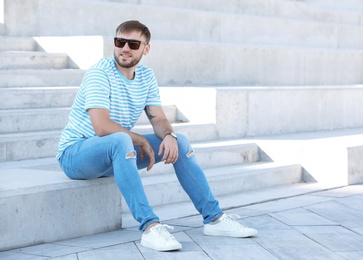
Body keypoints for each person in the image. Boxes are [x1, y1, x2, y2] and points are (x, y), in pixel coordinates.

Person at [56, 20, 257, 252]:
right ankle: (150, 227)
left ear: (146, 49)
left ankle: (214, 218)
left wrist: (170, 135)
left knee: (179, 141)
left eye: (133, 44)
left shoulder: (146, 76)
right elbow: (101, 127)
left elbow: (159, 119)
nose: (125, 48)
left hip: (114, 153)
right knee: (122, 140)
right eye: (120, 41)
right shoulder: (100, 73)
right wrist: (140, 140)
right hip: (75, 155)